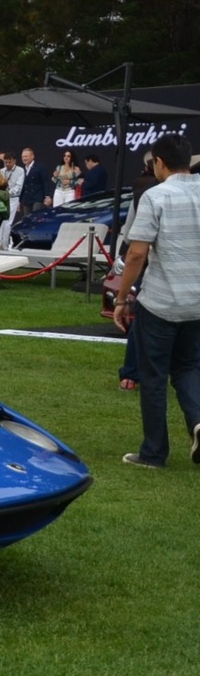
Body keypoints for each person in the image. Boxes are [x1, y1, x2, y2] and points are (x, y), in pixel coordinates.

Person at [112, 135, 200, 467]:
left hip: (162, 300)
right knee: (189, 367)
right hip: (197, 300)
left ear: (159, 163)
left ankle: (153, 452)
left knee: (153, 377)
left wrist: (121, 298)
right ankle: (197, 422)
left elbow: (137, 253)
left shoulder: (155, 195)